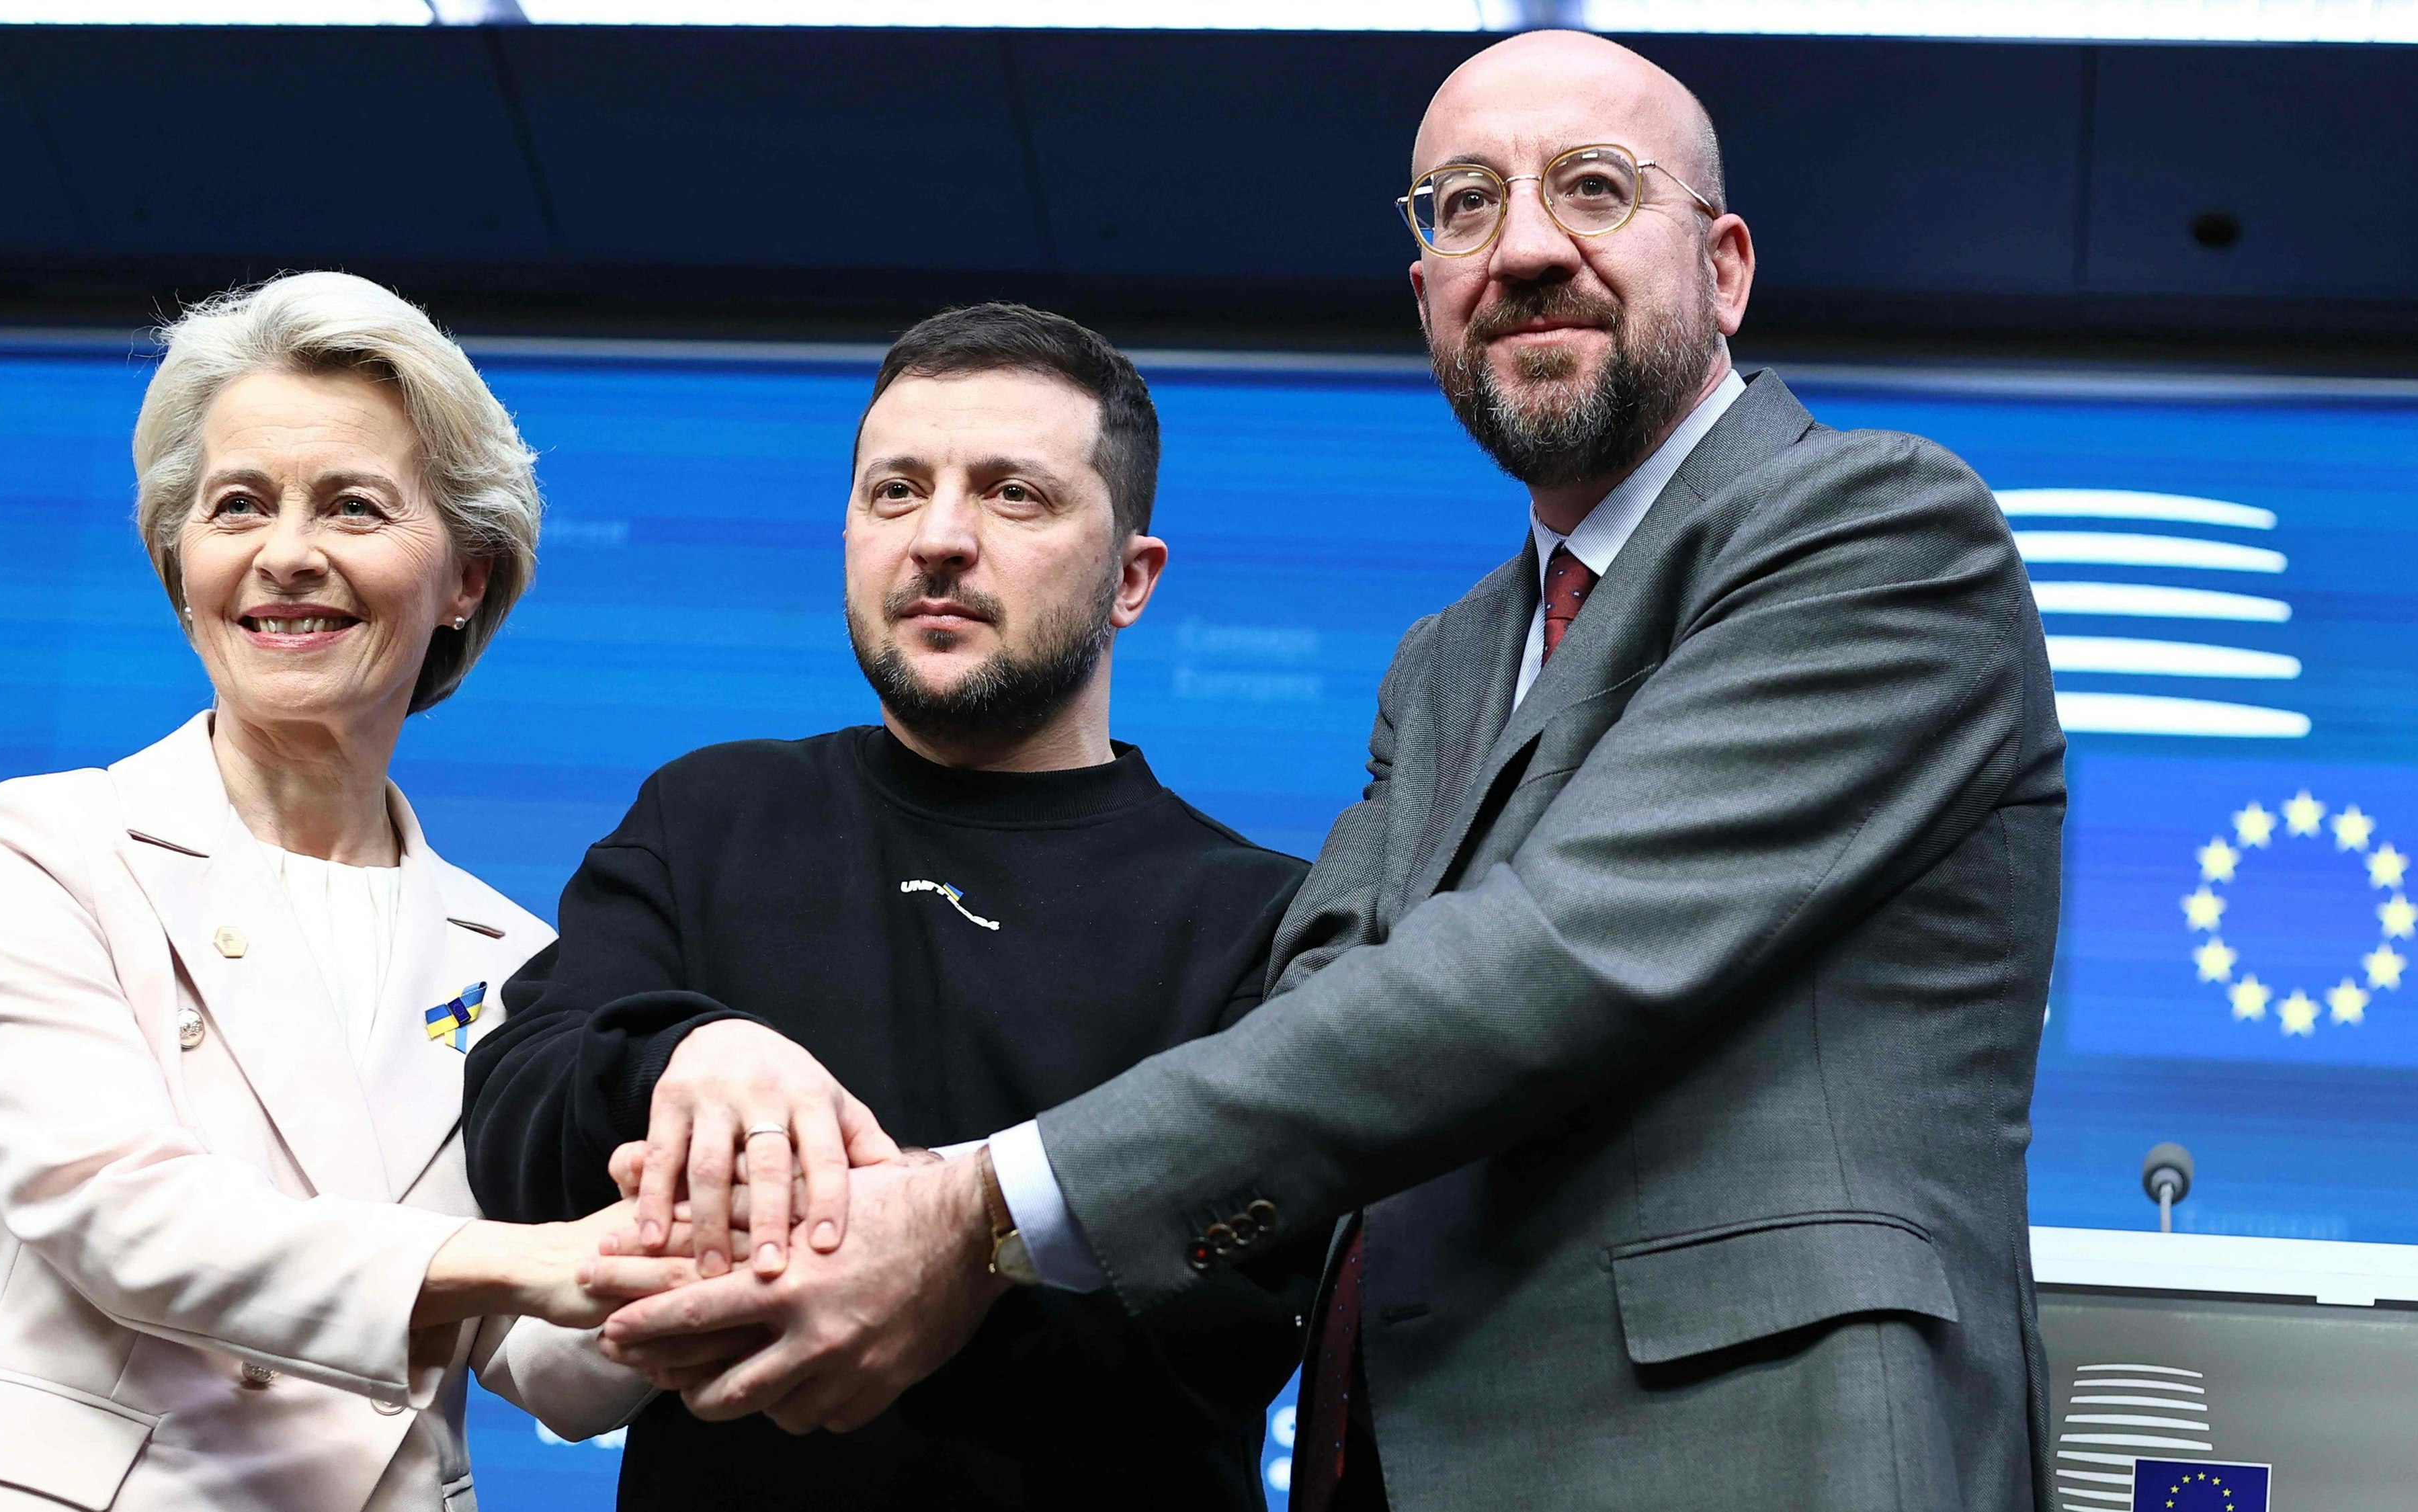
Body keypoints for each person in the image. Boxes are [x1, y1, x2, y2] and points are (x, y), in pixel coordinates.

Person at [596, 31, 2067, 1512]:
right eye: (1463, 205)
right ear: (1425, 286)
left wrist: (976, 1213)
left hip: (1751, 1453)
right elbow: (1323, 1005)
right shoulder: (1447, 660)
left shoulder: (1875, 531)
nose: (1526, 249)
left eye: (1595, 189)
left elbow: (1549, 959)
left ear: (1727, 267)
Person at [459, 303, 1317, 1510]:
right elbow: (512, 1116)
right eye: (895, 491)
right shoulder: (710, 812)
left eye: (1014, 495)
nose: (940, 539)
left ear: (1132, 578)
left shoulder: (1258, 918)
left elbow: (1224, 1319)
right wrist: (687, 1055)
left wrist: (921, 1233)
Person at [0, 271, 651, 1512]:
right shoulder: (44, 847)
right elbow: (128, 1219)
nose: (289, 555)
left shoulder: (516, 959)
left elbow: (537, 1358)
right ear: (182, 565)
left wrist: (685, 1273)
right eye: (238, 505)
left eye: (353, 506)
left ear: (467, 580)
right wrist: (522, 1256)